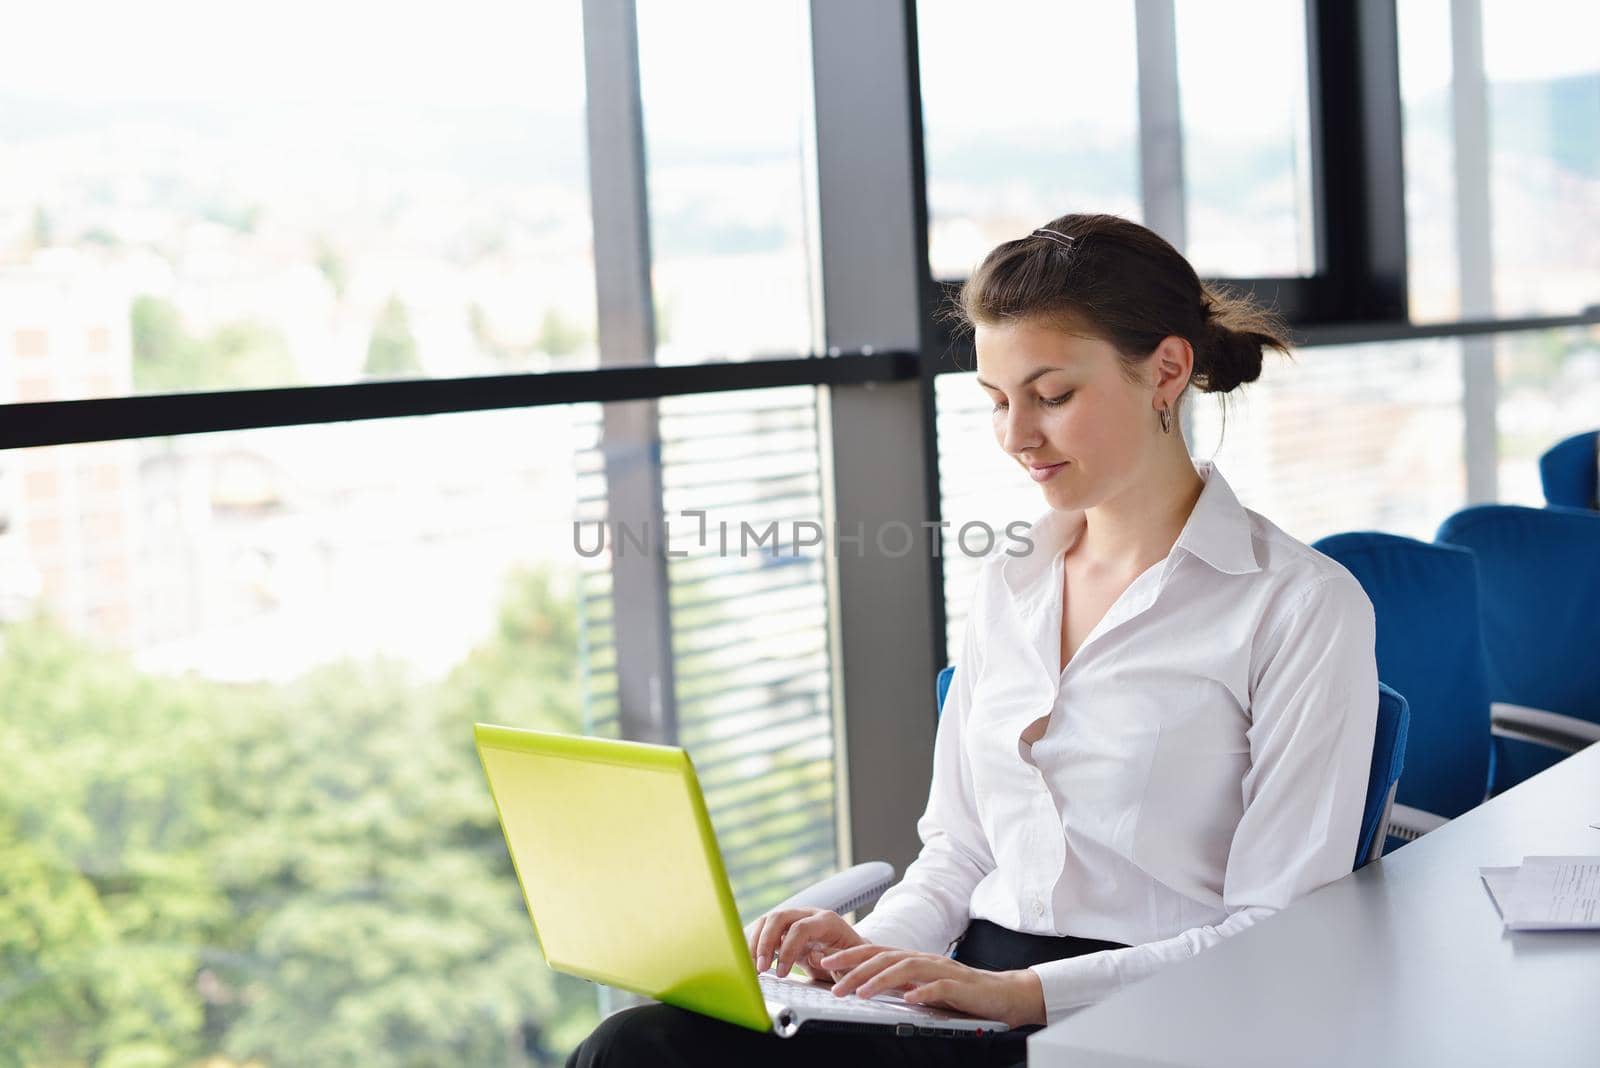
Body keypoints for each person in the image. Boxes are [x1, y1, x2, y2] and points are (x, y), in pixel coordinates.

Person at [566, 213, 1379, 1067]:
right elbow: (959, 850)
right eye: (996, 401)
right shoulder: (1014, 581)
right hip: (961, 997)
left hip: (1147, 1019)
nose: (1017, 436)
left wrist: (1023, 995)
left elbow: (1277, 931)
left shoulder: (1298, 608)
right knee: (638, 1045)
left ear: (1167, 371)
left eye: (1052, 396)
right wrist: (866, 954)